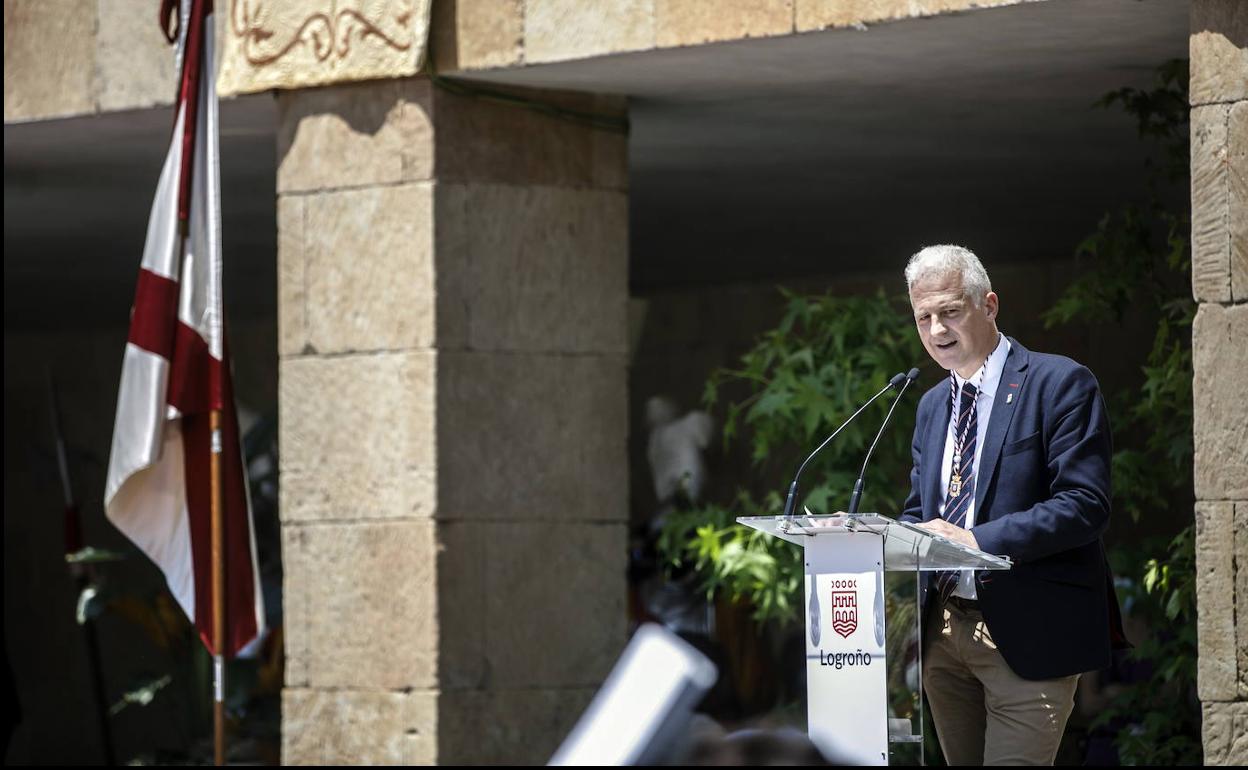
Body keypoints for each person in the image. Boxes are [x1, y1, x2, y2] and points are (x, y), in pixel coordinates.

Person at [896, 245, 1126, 766]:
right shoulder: (932, 406)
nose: (937, 331)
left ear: (990, 305)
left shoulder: (1059, 383)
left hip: (1028, 635)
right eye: (923, 317)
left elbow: (1085, 504)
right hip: (945, 639)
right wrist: (868, 535)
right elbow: (921, 511)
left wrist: (976, 541)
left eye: (950, 311)